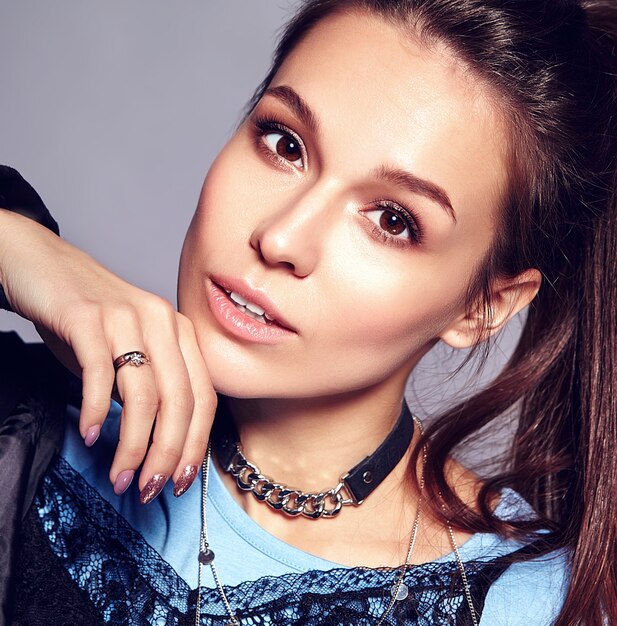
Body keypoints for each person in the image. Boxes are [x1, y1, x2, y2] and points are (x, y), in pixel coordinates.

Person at [1, 0, 616, 624]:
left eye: (392, 221)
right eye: (285, 144)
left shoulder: (527, 597)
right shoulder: (32, 422)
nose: (281, 239)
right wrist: (21, 249)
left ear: (485, 307)